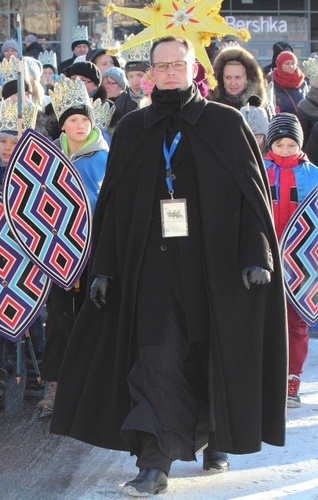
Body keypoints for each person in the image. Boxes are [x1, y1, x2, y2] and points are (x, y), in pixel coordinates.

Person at [50, 36, 287, 497]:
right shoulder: (135, 130)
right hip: (151, 271)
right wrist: (103, 267)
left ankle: (213, 434)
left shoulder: (226, 123)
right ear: (150, 74)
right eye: (162, 67)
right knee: (155, 359)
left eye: (179, 65)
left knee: (208, 355)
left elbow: (251, 201)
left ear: (195, 70)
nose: (171, 74)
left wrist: (256, 253)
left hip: (213, 271)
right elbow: (114, 208)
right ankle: (154, 464)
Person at [37, 75, 109, 412]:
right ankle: (54, 386)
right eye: (72, 120)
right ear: (63, 126)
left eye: (84, 119)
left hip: (94, 251)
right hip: (58, 251)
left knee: (92, 320)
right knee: (59, 319)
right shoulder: (49, 157)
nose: (79, 125)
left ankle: (92, 388)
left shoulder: (107, 157)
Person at [0, 98, 44, 409]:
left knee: (32, 317)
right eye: (2, 140)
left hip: (29, 257)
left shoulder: (35, 176)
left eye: (14, 140)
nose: (6, 147)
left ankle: (37, 373)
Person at [262, 113, 318, 408]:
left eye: (291, 144)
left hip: (299, 264)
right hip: (267, 256)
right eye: (280, 144)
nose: (286, 150)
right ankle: (266, 377)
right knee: (264, 319)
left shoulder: (313, 175)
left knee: (296, 323)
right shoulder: (259, 171)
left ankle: (291, 378)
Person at [210, 46, 270, 113]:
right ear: (221, 79)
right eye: (228, 77)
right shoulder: (209, 107)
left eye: (238, 77)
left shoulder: (262, 107)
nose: (233, 83)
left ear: (247, 79)